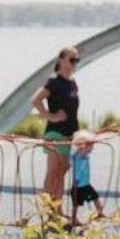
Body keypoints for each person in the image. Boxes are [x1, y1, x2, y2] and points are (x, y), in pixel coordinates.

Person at [32, 46, 83, 207]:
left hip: (69, 134)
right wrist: (51, 116)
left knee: (61, 172)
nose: (74, 63)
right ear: (61, 61)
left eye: (77, 60)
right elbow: (36, 100)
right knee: (53, 172)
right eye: (71, 59)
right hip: (55, 134)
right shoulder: (54, 82)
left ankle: (57, 212)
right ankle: (46, 211)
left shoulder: (72, 82)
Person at [69, 133, 102, 223]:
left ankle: (100, 212)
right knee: (76, 204)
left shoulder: (85, 155)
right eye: (91, 146)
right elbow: (77, 151)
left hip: (86, 184)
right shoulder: (76, 155)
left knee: (95, 196)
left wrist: (90, 142)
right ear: (83, 146)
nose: (92, 149)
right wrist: (84, 143)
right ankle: (73, 218)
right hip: (78, 185)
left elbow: (85, 147)